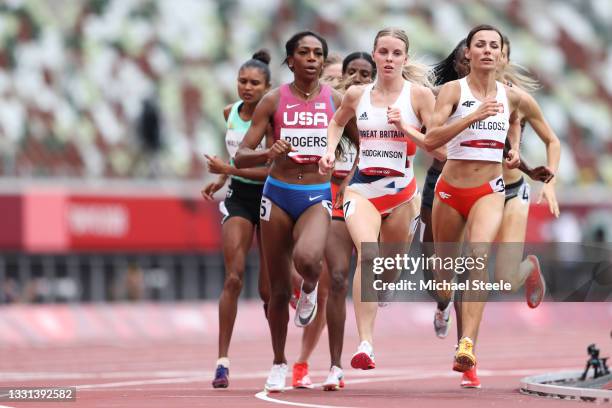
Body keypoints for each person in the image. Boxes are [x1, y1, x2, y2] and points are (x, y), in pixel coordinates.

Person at [319, 28, 444, 371]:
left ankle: (385, 288)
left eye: (396, 53)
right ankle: (366, 344)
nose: (389, 59)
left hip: (402, 195)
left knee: (388, 267)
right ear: (374, 55)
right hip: (362, 189)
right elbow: (335, 123)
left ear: (405, 58)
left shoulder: (418, 96)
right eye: (384, 52)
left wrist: (406, 129)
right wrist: (330, 151)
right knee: (368, 257)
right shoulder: (357, 94)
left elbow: (438, 145)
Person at [234, 31, 349, 393]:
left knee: (309, 259)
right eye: (304, 52)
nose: (312, 58)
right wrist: (269, 153)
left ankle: (312, 289)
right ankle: (279, 362)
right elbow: (241, 155)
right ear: (291, 60)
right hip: (278, 194)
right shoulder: (273, 100)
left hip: (316, 193)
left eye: (318, 53)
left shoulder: (337, 100)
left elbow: (364, 146)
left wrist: (347, 177)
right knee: (279, 290)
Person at [424, 24, 524, 380]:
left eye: (493, 45)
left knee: (479, 257)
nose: (486, 50)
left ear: (501, 54)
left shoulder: (512, 96)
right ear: (467, 51)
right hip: (447, 185)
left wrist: (517, 152)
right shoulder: (451, 89)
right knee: (443, 275)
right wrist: (472, 116)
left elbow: (520, 127)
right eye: (479, 44)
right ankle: (442, 304)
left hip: (488, 189)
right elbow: (429, 138)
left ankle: (467, 346)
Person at [292, 51, 377, 390]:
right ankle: (311, 361)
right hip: (324, 194)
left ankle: (324, 360)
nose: (357, 78)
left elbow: (373, 150)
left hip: (365, 193)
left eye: (363, 73)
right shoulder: (330, 106)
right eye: (350, 72)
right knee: (331, 281)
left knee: (348, 276)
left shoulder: (377, 107)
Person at [202, 50, 273, 389]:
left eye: (255, 83)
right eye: (242, 81)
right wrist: (222, 180)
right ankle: (222, 362)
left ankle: (280, 359)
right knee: (233, 277)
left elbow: (270, 170)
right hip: (239, 199)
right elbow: (235, 153)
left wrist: (227, 169)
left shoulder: (275, 119)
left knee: (268, 292)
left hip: (272, 198)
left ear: (267, 87)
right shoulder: (230, 112)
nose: (247, 88)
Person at [493, 35, 560, 310]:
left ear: (506, 59)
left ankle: (529, 266)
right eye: (482, 47)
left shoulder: (519, 99)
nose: (491, 54)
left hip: (511, 191)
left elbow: (553, 141)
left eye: (498, 50)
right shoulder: (458, 94)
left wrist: (550, 182)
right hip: (475, 190)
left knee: (505, 281)